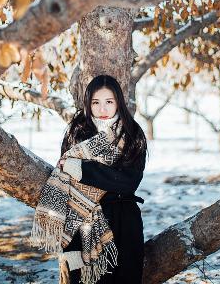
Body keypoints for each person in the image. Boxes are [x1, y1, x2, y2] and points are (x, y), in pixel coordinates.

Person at [58, 74, 147, 284]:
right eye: (96, 103)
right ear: (88, 103)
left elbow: (129, 181)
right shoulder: (76, 133)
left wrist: (82, 171)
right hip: (86, 224)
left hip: (125, 223)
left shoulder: (132, 133)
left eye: (109, 102)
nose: (103, 109)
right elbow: (66, 187)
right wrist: (69, 246)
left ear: (119, 102)